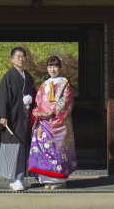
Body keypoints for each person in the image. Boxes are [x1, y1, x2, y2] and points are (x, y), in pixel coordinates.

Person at [28, 55, 77, 189]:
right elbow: (38, 100)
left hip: (57, 123)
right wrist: (36, 111)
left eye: (55, 66)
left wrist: (54, 111)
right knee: (44, 148)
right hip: (43, 122)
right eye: (50, 66)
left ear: (60, 68)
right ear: (47, 68)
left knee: (57, 149)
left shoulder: (64, 82)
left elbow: (66, 101)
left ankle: (59, 180)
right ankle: (47, 180)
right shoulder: (44, 84)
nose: (53, 69)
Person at [0, 46, 36, 191]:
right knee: (14, 146)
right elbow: (2, 97)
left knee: (24, 147)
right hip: (13, 118)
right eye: (18, 56)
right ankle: (14, 178)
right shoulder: (8, 77)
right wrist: (2, 116)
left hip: (26, 117)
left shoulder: (28, 77)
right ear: (12, 59)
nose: (21, 59)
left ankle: (21, 177)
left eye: (23, 56)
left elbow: (34, 94)